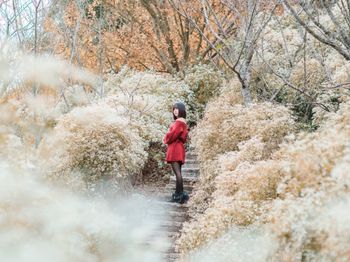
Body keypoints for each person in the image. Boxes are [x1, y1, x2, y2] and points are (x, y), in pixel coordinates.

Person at [163, 102, 190, 204]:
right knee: (178, 173)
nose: (175, 110)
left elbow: (172, 135)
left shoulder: (178, 122)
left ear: (181, 110)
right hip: (179, 148)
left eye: (177, 109)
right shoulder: (183, 122)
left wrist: (166, 136)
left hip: (175, 148)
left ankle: (179, 196)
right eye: (174, 109)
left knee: (177, 173)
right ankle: (179, 195)